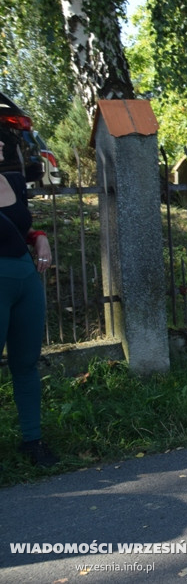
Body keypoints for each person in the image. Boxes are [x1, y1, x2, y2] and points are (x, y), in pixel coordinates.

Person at [0, 137, 58, 467]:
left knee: (26, 363)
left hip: (25, 281)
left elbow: (24, 228)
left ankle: (32, 440)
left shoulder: (14, 182)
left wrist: (41, 239)